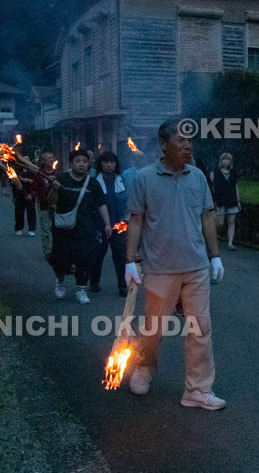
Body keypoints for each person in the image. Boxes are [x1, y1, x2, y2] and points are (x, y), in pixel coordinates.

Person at [124, 118, 226, 410]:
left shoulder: (198, 177)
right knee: (153, 328)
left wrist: (215, 256)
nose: (187, 146)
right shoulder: (144, 178)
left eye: (190, 140)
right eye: (181, 140)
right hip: (159, 267)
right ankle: (145, 366)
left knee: (200, 328)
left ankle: (198, 389)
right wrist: (130, 261)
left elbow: (207, 216)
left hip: (196, 266)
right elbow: (135, 220)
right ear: (163, 144)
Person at [50, 149, 111, 304]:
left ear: (89, 164)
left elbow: (101, 204)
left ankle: (81, 290)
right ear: (71, 163)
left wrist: (107, 224)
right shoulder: (61, 179)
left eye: (84, 161)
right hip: (63, 227)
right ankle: (60, 282)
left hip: (86, 228)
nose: (82, 164)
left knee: (85, 258)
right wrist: (54, 189)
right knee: (60, 258)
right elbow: (50, 201)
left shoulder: (93, 183)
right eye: (78, 161)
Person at [90, 151, 128, 296]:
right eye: (105, 162)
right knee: (98, 255)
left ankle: (123, 285)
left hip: (119, 224)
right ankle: (94, 281)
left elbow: (128, 201)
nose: (109, 165)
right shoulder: (94, 182)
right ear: (100, 164)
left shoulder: (122, 180)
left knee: (120, 255)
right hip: (100, 225)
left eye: (112, 162)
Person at [30, 151, 59, 263]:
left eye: (52, 157)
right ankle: (48, 252)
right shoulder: (39, 175)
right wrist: (31, 195)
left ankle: (57, 250)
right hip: (44, 206)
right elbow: (34, 189)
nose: (51, 160)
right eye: (48, 158)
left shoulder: (58, 174)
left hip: (57, 206)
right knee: (46, 230)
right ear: (43, 161)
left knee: (58, 230)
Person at [210, 152, 240, 250]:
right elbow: (211, 186)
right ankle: (214, 236)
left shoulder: (233, 172)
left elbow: (236, 187)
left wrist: (238, 201)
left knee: (231, 221)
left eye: (228, 160)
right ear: (221, 161)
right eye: (224, 159)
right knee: (220, 223)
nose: (226, 161)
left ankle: (230, 243)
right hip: (220, 199)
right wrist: (212, 200)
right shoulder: (215, 172)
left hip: (231, 199)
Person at [11, 146, 37, 237]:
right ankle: (19, 228)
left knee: (31, 212)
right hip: (20, 194)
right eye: (23, 160)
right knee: (19, 212)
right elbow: (13, 181)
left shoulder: (33, 171)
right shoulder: (17, 170)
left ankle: (31, 229)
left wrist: (28, 181)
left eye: (27, 160)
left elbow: (36, 183)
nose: (25, 162)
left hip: (31, 194)